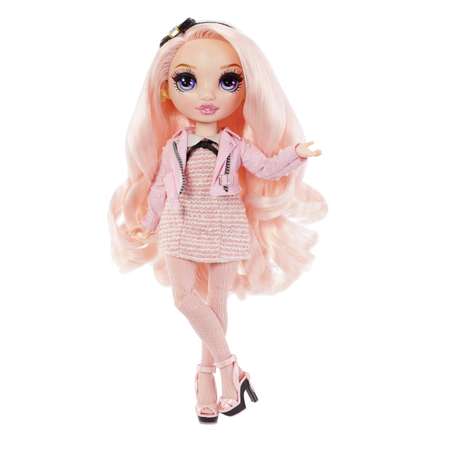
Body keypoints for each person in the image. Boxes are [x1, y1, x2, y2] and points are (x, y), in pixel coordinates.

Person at [108, 18, 327, 423]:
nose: (207, 95)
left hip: (225, 223)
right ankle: (231, 368)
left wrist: (295, 153)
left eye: (228, 81)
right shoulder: (173, 146)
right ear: (166, 89)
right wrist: (149, 222)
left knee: (216, 303)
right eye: (187, 81)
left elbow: (264, 167)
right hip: (180, 222)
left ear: (247, 89)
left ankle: (206, 378)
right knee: (183, 297)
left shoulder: (235, 144)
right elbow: (159, 188)